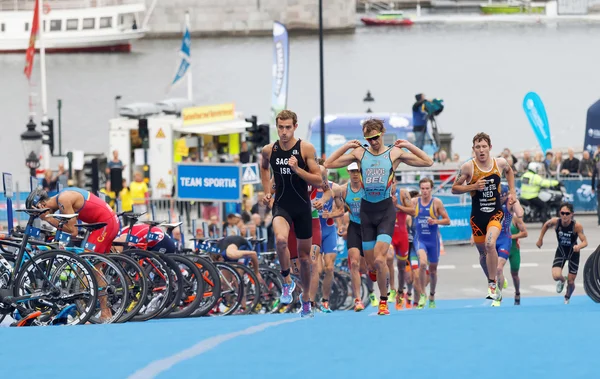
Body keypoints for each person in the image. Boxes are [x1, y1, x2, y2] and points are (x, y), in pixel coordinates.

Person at [324, 118, 433, 315]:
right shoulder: (360, 153)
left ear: (382, 133)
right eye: (368, 138)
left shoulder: (393, 153)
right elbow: (328, 163)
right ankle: (376, 276)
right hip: (366, 211)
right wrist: (347, 146)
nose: (373, 142)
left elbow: (428, 161)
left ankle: (383, 300)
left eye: (375, 137)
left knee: (381, 259)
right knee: (371, 264)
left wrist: (409, 145)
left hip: (385, 211)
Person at [260, 110, 323, 318]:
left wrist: (298, 170)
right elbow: (264, 169)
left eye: (288, 127)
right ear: (276, 127)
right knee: (280, 240)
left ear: (295, 126)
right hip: (282, 206)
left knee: (305, 260)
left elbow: (318, 181)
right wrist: (267, 192)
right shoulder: (269, 150)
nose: (284, 132)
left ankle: (306, 299)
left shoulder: (305, 148)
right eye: (280, 127)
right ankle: (286, 281)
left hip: (303, 207)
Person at [26, 187, 120, 320]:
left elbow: (72, 230)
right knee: (92, 266)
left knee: (89, 268)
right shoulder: (62, 196)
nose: (39, 216)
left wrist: (47, 218)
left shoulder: (63, 199)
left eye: (37, 212)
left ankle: (102, 312)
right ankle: (96, 310)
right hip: (106, 222)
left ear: (42, 205)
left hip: (106, 224)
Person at [451, 132, 516, 301]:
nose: (481, 150)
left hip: (495, 213)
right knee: (482, 255)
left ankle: (492, 284)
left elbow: (510, 172)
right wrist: (472, 186)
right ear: (473, 149)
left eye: (484, 146)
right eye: (478, 147)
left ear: (490, 148)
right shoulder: (468, 167)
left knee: (490, 244)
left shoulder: (499, 163)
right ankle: (493, 277)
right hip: (477, 216)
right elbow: (454, 188)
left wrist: (513, 192)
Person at [536, 203, 588, 304]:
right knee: (556, 276)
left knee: (571, 281)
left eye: (567, 213)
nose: (564, 216)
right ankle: (562, 280)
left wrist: (579, 246)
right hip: (561, 250)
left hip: (573, 252)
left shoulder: (576, 226)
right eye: (562, 213)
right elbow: (546, 225)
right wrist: (540, 239)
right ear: (560, 213)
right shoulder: (556, 222)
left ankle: (567, 297)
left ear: (571, 214)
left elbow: (585, 242)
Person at [411, 178, 450, 309]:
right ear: (420, 189)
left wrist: (435, 221)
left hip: (433, 241)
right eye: (422, 188)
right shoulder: (414, 202)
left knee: (432, 271)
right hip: (420, 240)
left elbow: (447, 220)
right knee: (422, 264)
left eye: (427, 188)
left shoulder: (436, 203)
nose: (425, 191)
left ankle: (432, 296)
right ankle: (422, 294)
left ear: (431, 189)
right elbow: (401, 209)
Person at [493, 183, 526, 306]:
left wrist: (515, 200)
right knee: (493, 270)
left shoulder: (509, 203)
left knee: (501, 269)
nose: (501, 198)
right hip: (493, 239)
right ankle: (501, 279)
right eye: (499, 196)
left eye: (504, 196)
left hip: (506, 240)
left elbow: (521, 214)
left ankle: (499, 297)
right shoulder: (492, 201)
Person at [391, 183, 413, 309]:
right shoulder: (382, 193)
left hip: (402, 234)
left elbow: (413, 211)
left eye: (393, 182)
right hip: (388, 233)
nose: (391, 185)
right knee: (387, 258)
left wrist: (397, 206)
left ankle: (400, 292)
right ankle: (391, 290)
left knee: (401, 267)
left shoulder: (403, 193)